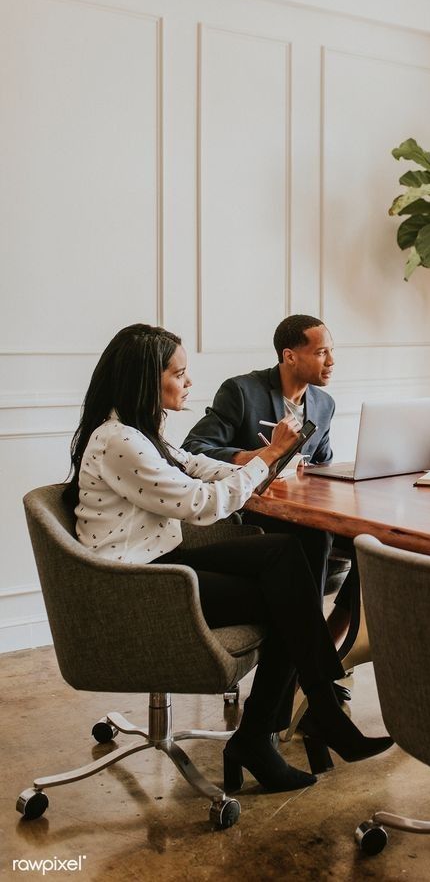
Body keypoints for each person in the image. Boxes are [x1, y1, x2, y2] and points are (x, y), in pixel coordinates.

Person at [64, 323, 391, 796]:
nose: (189, 382)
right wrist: (270, 456)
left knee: (285, 554)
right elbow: (200, 502)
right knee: (287, 600)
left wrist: (261, 462)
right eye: (179, 373)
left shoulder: (140, 430)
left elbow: (193, 465)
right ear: (146, 379)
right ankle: (279, 729)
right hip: (139, 585)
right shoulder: (120, 440)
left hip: (164, 560)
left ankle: (311, 710)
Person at [183, 314, 355, 645]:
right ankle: (307, 652)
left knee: (372, 546)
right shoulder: (241, 391)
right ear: (290, 356)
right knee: (314, 537)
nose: (331, 361)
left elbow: (322, 464)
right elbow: (194, 448)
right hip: (256, 514)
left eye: (331, 351)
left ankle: (332, 641)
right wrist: (259, 456)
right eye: (321, 353)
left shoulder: (324, 404)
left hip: (308, 511)